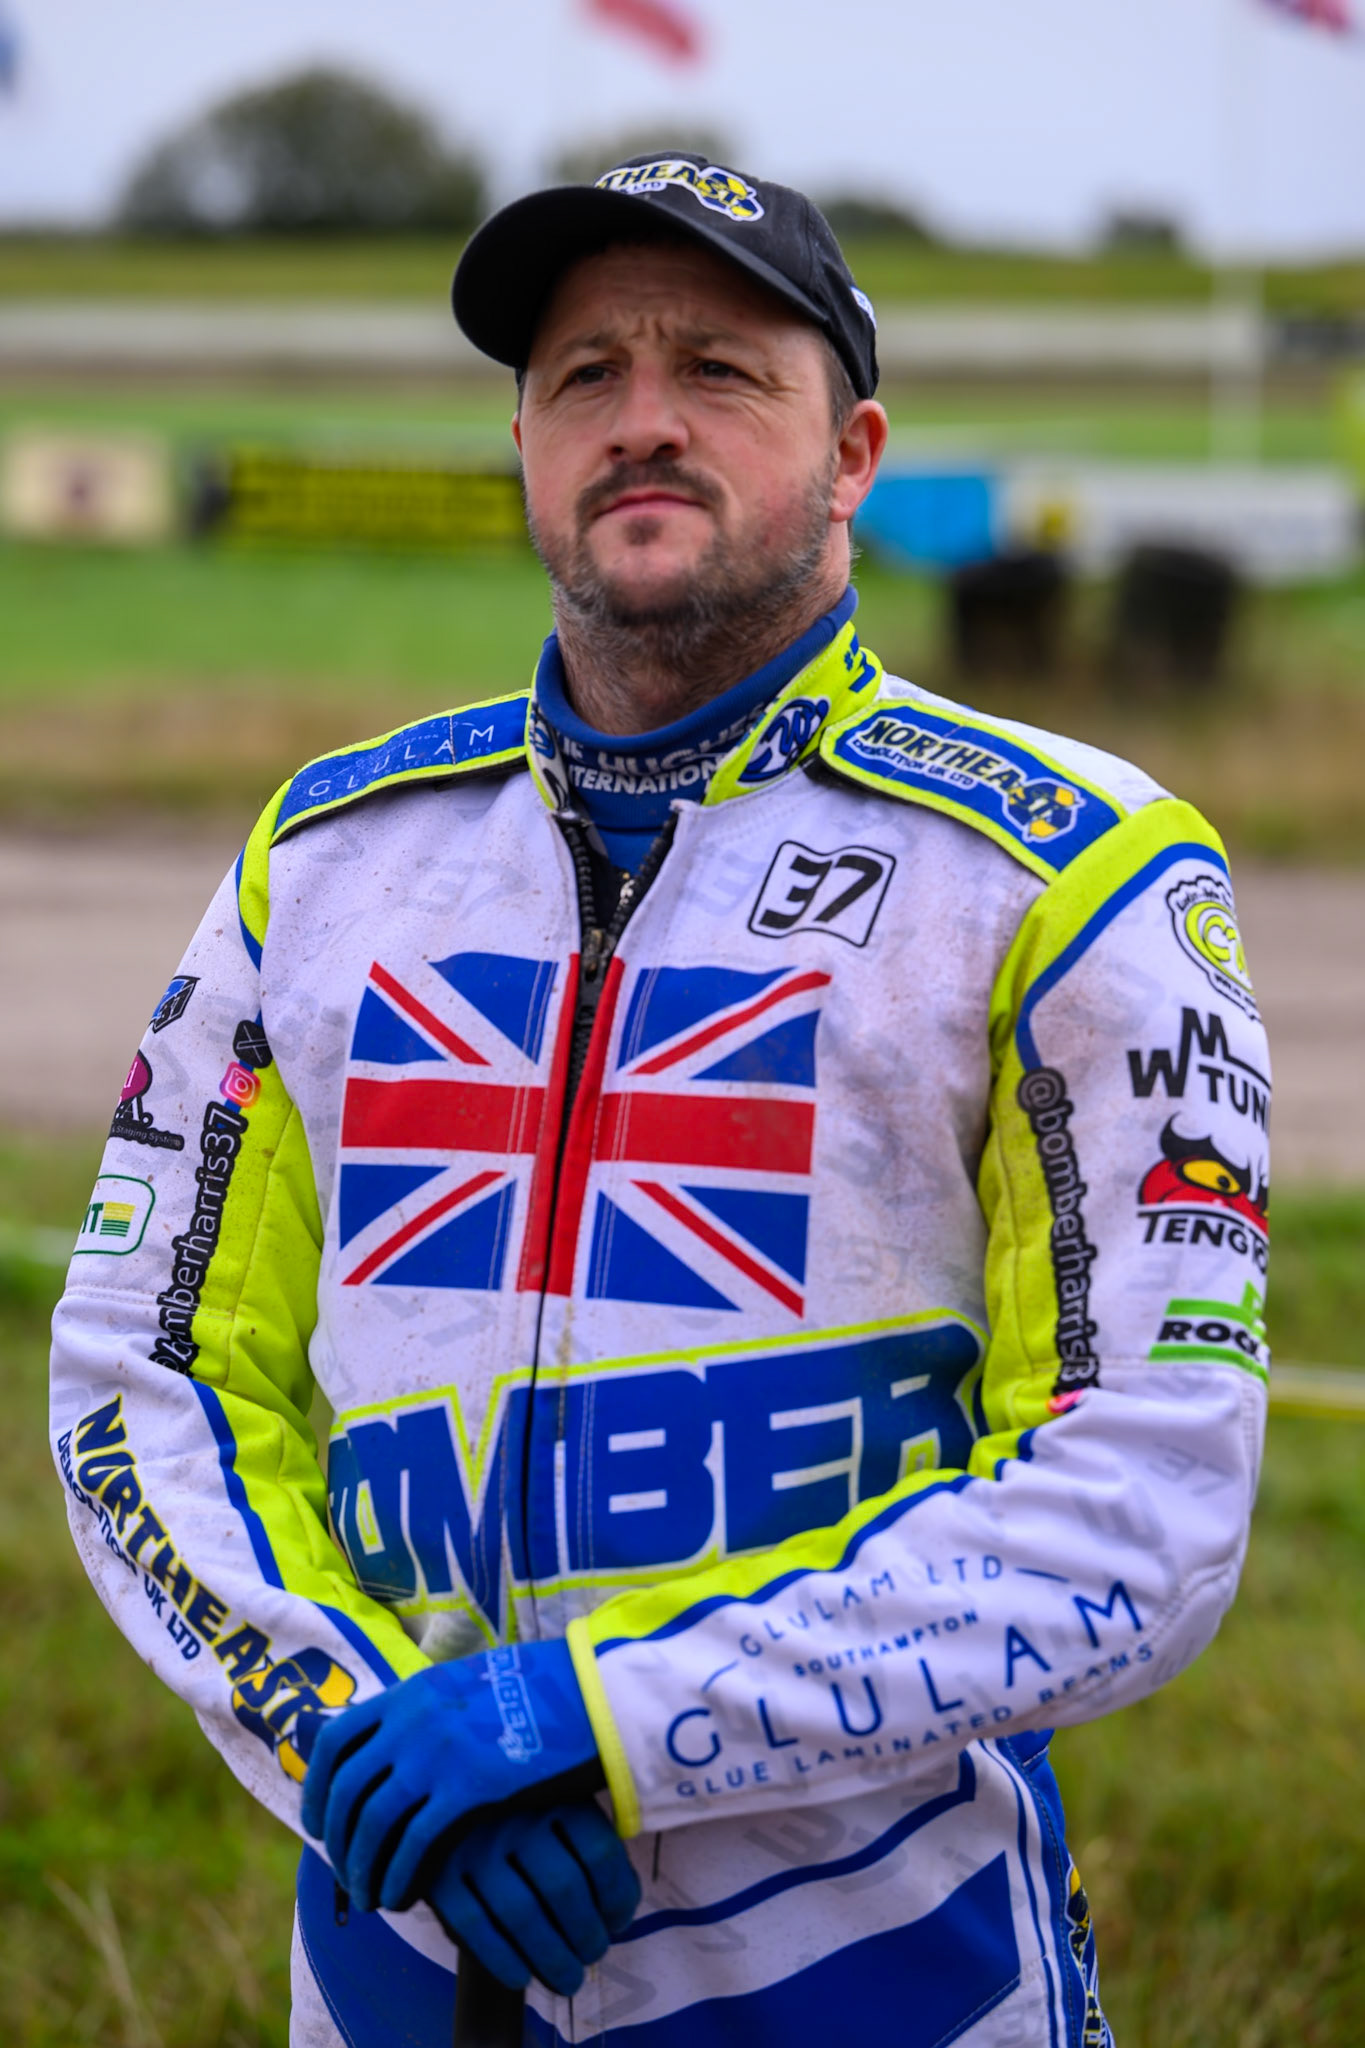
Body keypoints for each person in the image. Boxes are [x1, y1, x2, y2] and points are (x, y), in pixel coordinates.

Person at [51, 151, 1272, 2048]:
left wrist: (605, 1724)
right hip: (394, 1940)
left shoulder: (1070, 871)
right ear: (522, 448)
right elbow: (145, 1371)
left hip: (882, 1970)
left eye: (718, 369)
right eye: (583, 377)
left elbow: (1147, 1503)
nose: (642, 423)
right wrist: (346, 1730)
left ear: (852, 449)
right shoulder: (331, 857)